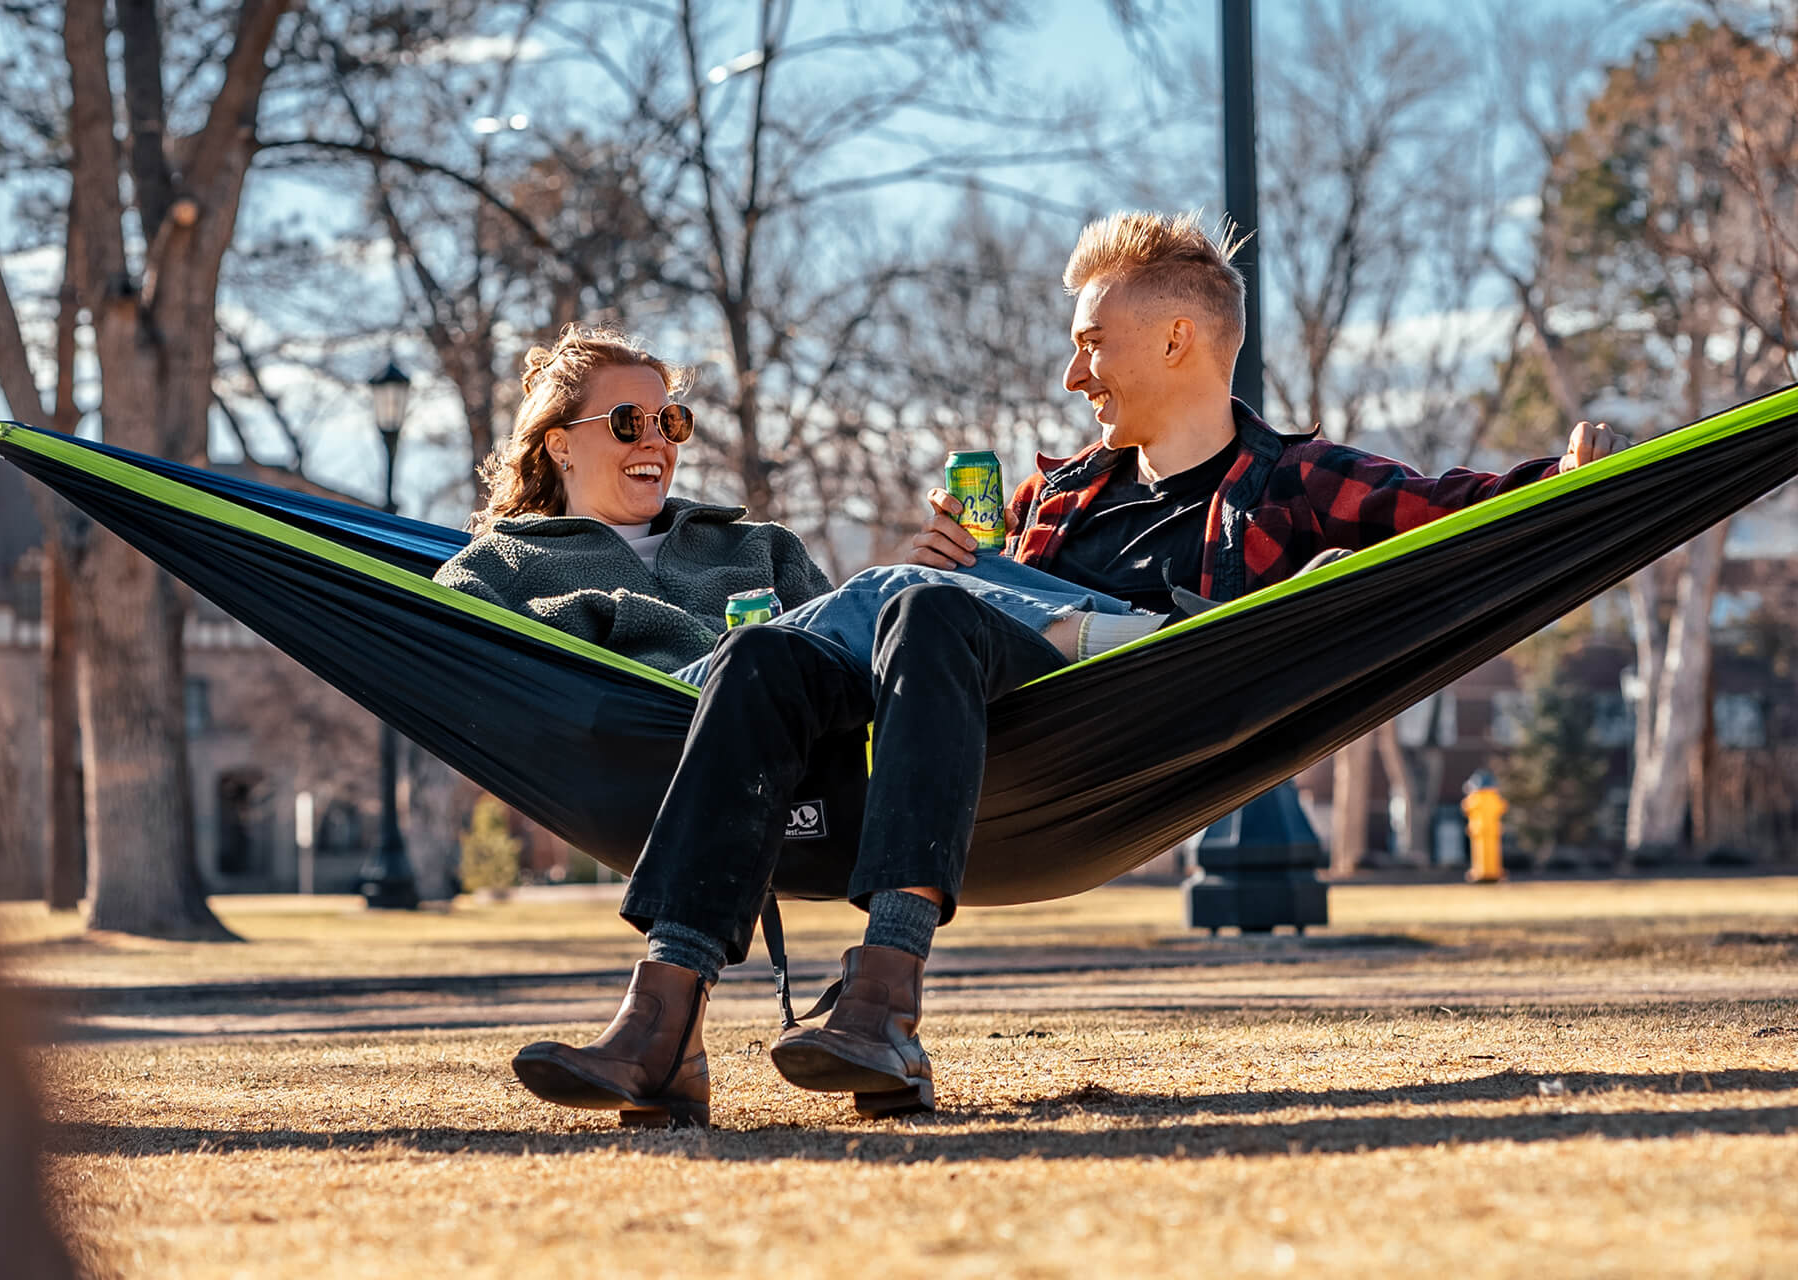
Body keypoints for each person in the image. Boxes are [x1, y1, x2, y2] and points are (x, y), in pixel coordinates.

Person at [510, 211, 1628, 1130]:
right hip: (996, 722)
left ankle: (885, 990)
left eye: (1092, 341)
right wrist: (974, 573)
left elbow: (1453, 513)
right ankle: (663, 1026)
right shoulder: (1058, 495)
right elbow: (969, 625)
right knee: (770, 651)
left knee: (909, 602)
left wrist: (1567, 481)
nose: (1070, 370)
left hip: (1153, 696)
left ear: (1180, 339)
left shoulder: (1290, 481)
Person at [436, 326, 1143, 682]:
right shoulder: (509, 558)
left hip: (795, 706)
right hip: (668, 709)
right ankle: (1131, 643)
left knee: (958, 574)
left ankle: (1156, 629)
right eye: (628, 422)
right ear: (561, 446)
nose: (656, 439)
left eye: (670, 421)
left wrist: (940, 578)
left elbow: (850, 640)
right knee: (888, 594)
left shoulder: (754, 546)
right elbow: (439, 634)